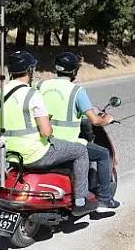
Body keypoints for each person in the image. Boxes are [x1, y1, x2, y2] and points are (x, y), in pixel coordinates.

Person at [0, 50, 98, 217]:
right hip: (35, 154)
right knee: (81, 151)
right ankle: (81, 200)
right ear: (30, 70)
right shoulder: (32, 94)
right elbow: (46, 132)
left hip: (9, 153)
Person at [36, 52, 120, 211]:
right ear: (74, 71)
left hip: (46, 142)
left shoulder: (40, 86)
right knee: (102, 154)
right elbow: (94, 120)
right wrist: (106, 120)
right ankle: (104, 200)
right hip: (69, 144)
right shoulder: (76, 91)